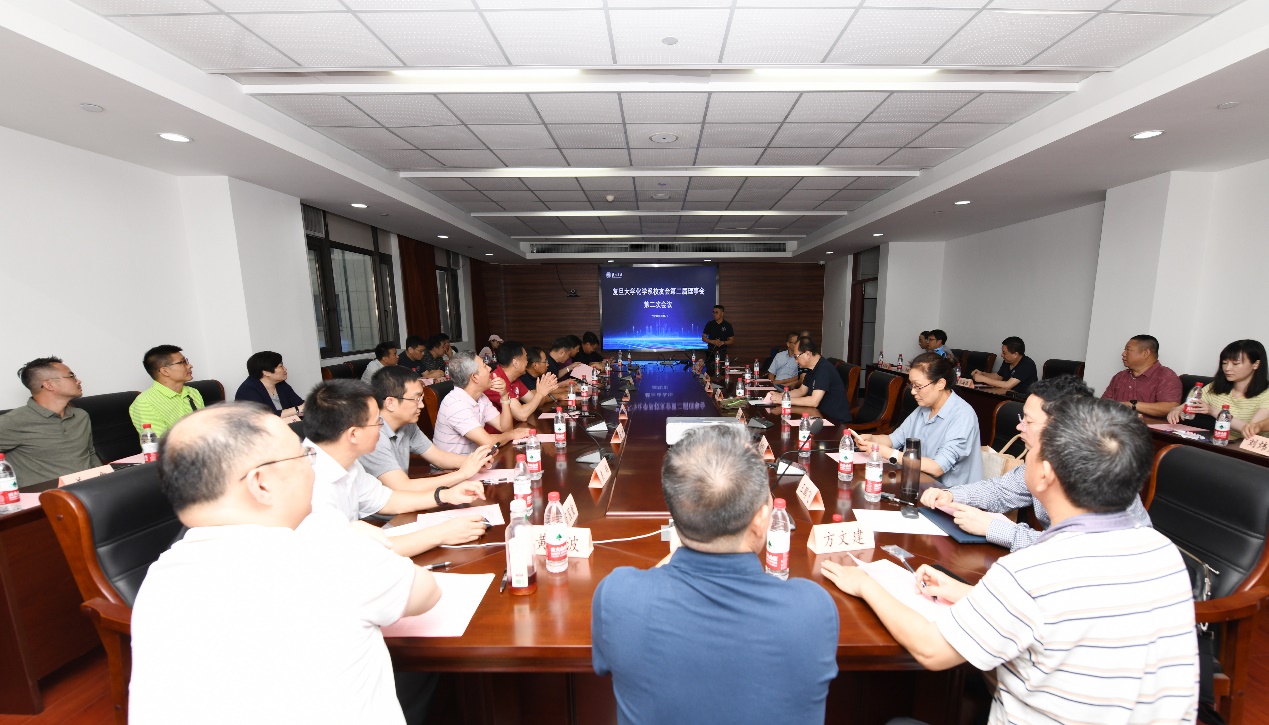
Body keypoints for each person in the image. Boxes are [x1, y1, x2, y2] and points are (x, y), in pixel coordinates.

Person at [823, 397, 1198, 724]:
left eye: (1032, 451)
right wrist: (969, 594)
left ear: (1046, 474)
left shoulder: (1032, 569)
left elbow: (931, 649)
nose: (1024, 455)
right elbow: (1063, 612)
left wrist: (865, 583)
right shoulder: (1163, 552)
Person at [128, 403, 441, 725]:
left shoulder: (159, 580)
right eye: (303, 456)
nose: (312, 466)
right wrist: (354, 537)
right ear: (261, 483)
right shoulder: (326, 548)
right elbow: (425, 592)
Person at [592, 424, 838, 724]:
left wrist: (682, 545)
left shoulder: (617, 597)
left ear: (674, 515)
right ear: (761, 520)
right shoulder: (811, 609)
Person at [921, 375, 1152, 551]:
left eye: (1028, 421)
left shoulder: (1094, 470)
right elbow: (1001, 490)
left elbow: (1071, 551)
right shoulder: (1043, 459)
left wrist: (993, 528)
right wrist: (952, 495)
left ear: (1062, 427)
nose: (1019, 427)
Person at [300, 380, 487, 558]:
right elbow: (352, 554)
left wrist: (445, 495)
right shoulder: (309, 482)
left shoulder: (345, 460)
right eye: (377, 422)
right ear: (353, 434)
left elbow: (387, 500)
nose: (381, 428)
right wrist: (440, 534)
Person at [852, 352, 982, 487]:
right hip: (918, 483)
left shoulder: (962, 415)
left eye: (918, 386)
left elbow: (937, 467)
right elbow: (894, 440)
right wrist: (872, 439)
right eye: (912, 385)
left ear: (940, 384)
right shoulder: (924, 408)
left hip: (950, 493)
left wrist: (889, 453)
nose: (913, 392)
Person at [363, 365, 494, 494]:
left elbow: (438, 457)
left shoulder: (407, 425)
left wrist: (474, 461)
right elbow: (402, 486)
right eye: (416, 399)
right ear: (390, 403)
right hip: (390, 505)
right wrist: (463, 474)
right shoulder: (373, 436)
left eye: (421, 398)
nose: (421, 405)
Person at [0, 357, 101, 485]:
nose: (78, 380)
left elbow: (90, 454)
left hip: (89, 489)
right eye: (71, 376)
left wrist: (106, 480)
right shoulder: (13, 422)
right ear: (49, 385)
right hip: (47, 495)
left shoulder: (81, 416)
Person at [432, 352, 533, 455]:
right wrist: (512, 435)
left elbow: (505, 428)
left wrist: (504, 396)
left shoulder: (481, 397)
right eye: (485, 366)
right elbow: (488, 443)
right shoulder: (456, 404)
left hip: (474, 461)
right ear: (474, 377)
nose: (489, 368)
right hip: (455, 465)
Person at [1167, 339, 1268, 439]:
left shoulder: (1266, 394)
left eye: (1235, 363)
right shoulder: (1215, 387)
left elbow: (1250, 430)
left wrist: (1214, 412)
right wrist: (1177, 410)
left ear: (1256, 364)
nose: (1227, 368)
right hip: (1217, 442)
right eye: (1224, 363)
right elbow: (1188, 405)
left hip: (1247, 446)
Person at [129, 344, 203, 438]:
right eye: (183, 362)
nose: (190, 366)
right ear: (165, 371)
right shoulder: (145, 403)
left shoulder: (193, 392)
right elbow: (160, 442)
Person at [1101, 334, 1182, 417]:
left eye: (1128, 350)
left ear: (1145, 353)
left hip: (1148, 425)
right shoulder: (1120, 376)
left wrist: (1132, 405)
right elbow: (1103, 404)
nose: (1123, 354)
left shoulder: (1166, 376)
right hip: (1118, 424)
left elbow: (1171, 408)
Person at [778, 337, 852, 423]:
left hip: (835, 422)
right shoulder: (811, 368)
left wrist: (784, 400)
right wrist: (779, 396)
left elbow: (814, 401)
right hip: (819, 416)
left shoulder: (824, 369)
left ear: (808, 354)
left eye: (796, 357)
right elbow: (801, 391)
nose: (796, 361)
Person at [485, 340, 557, 424]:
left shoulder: (515, 379)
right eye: (526, 358)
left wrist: (543, 391)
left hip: (516, 428)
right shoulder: (496, 381)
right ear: (515, 363)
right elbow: (521, 415)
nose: (527, 362)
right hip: (501, 432)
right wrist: (540, 394)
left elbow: (536, 403)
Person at [233, 351, 305, 417]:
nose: (285, 369)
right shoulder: (247, 391)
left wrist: (303, 409)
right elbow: (263, 417)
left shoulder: (281, 384)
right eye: (280, 366)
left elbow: (300, 404)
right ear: (266, 373)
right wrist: (298, 409)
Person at [971, 336, 1038, 396]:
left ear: (1015, 354)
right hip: (1007, 394)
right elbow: (998, 377)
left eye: (1004, 353)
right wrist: (982, 374)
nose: (1001, 355)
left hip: (1022, 399)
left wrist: (983, 379)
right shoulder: (1007, 361)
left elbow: (1007, 385)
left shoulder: (1027, 364)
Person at [701, 305, 735, 369]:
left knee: (722, 371)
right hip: (711, 352)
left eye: (716, 312)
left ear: (722, 314)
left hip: (722, 353)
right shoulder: (710, 324)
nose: (714, 314)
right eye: (713, 312)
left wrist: (723, 342)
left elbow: (732, 340)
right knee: (709, 371)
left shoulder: (728, 325)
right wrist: (712, 341)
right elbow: (703, 337)